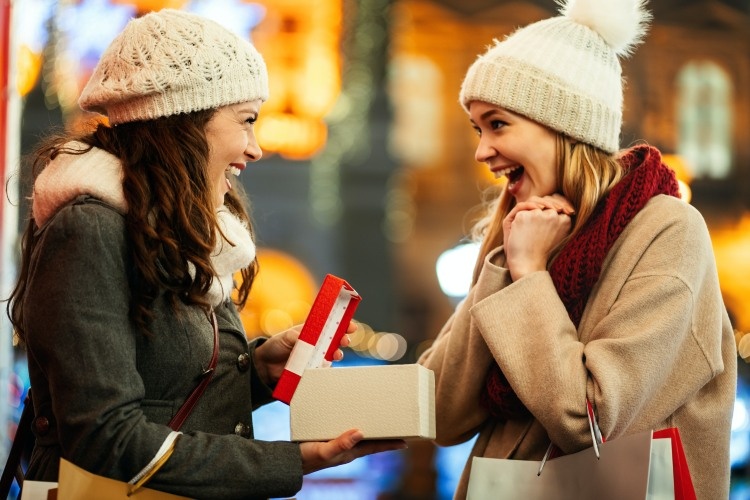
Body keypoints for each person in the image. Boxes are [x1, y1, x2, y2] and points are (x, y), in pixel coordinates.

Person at [7, 9, 404, 499]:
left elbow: (165, 389)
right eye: (246, 120)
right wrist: (293, 460)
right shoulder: (90, 230)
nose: (255, 148)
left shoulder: (181, 232)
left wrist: (255, 368)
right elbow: (103, 435)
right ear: (186, 120)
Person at [418, 0, 737, 498]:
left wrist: (529, 273)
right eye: (477, 129)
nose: (481, 150)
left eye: (498, 124)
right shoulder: (515, 235)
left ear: (563, 125)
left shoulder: (669, 231)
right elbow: (437, 411)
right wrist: (506, 262)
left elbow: (588, 420)